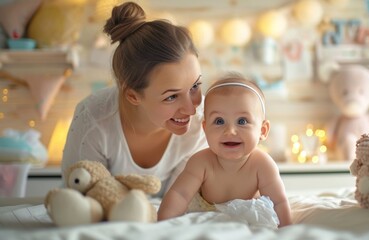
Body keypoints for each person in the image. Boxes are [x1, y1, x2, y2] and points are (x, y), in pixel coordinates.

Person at [61, 2, 207, 197]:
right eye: (171, 96)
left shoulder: (204, 119)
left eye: (195, 86)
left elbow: (180, 201)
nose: (191, 109)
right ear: (132, 95)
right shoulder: (94, 121)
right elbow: (81, 197)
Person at [158, 73, 292, 228]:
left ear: (262, 130)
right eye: (219, 121)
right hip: (205, 214)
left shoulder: (262, 164)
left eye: (242, 121)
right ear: (205, 128)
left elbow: (279, 202)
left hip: (247, 215)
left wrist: (287, 231)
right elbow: (180, 194)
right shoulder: (201, 162)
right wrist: (163, 224)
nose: (230, 131)